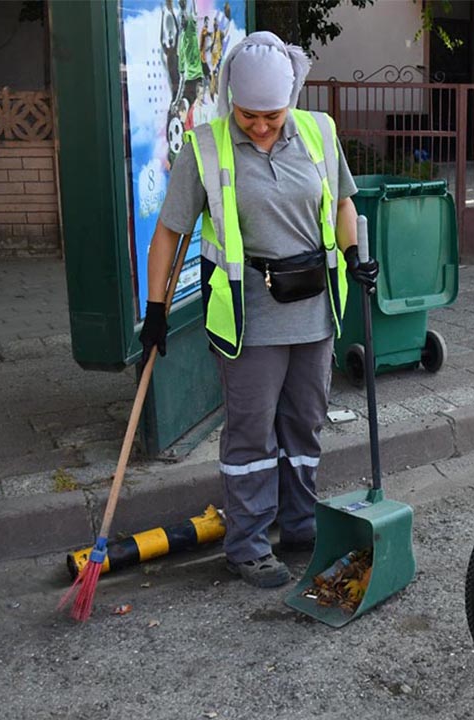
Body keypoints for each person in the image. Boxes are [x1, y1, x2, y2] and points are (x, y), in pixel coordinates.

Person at [140, 31, 379, 588]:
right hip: (248, 317)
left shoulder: (319, 132)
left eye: (272, 114)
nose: (262, 126)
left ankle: (298, 525)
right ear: (230, 99)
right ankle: (247, 544)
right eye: (250, 115)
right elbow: (169, 233)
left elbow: (343, 202)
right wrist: (155, 308)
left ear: (291, 97)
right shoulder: (205, 145)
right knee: (251, 433)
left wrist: (353, 253)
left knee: (305, 423)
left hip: (315, 312)